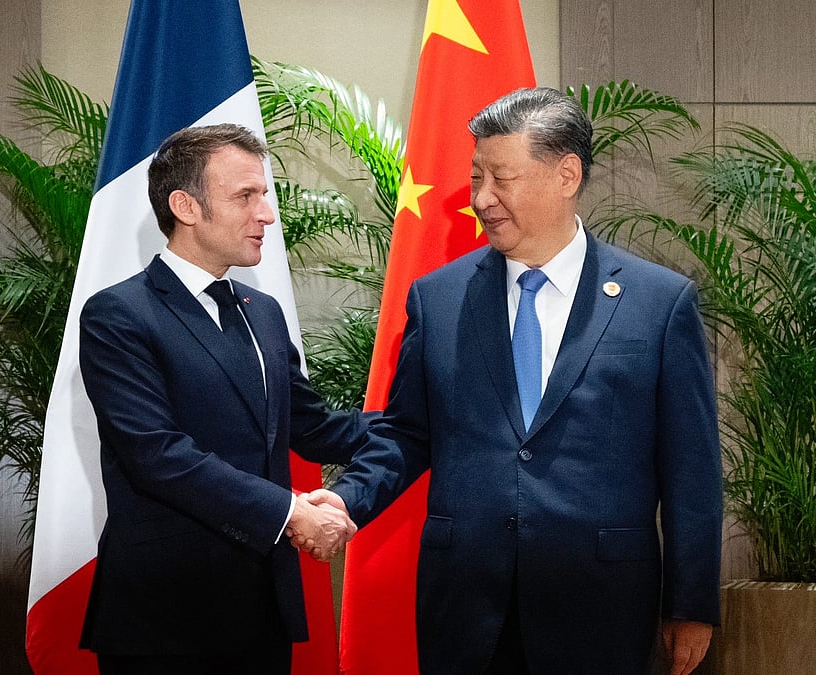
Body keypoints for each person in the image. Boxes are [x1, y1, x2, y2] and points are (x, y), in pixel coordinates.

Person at [305, 88, 723, 674]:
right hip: (466, 608)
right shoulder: (439, 298)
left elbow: (691, 468)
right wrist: (347, 501)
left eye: (502, 178)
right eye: (478, 177)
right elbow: (405, 434)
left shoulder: (658, 304)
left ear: (566, 174)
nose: (482, 198)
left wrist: (692, 602)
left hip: (601, 608)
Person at [77, 123, 367, 674]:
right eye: (245, 196)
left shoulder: (263, 313)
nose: (268, 215)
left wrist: (426, 419)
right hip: (165, 618)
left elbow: (313, 426)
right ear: (185, 206)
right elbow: (157, 456)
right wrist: (288, 512)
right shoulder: (118, 315)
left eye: (265, 195)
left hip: (261, 610)